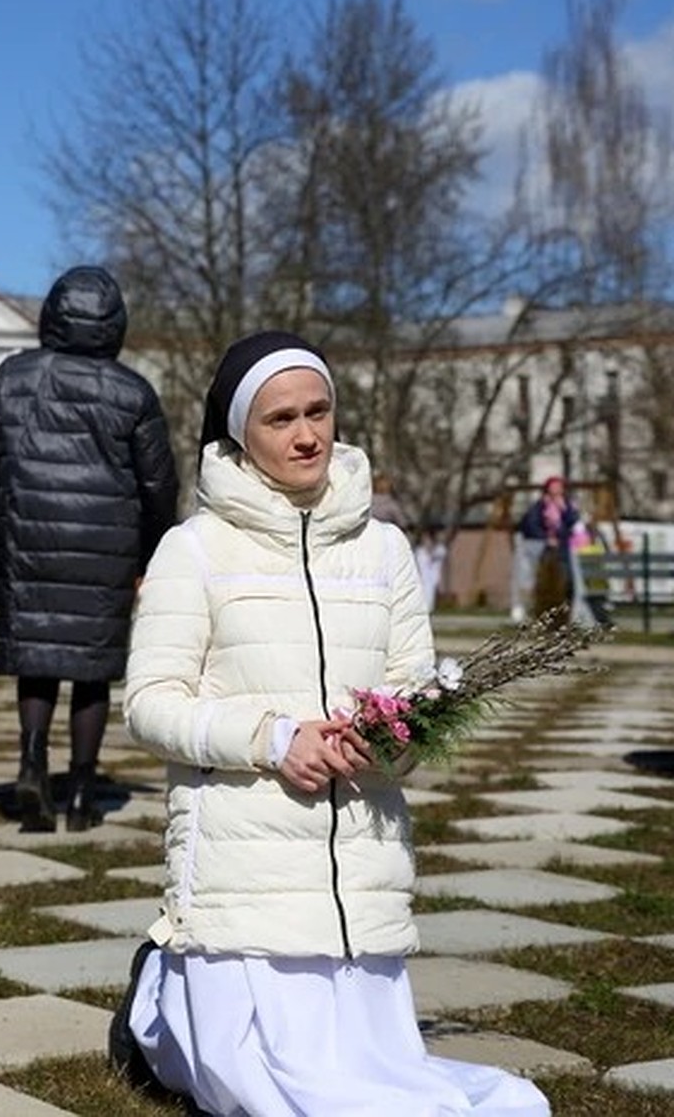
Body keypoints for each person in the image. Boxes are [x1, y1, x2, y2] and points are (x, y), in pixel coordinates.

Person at [110, 330, 550, 1116]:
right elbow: (150, 703)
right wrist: (275, 740)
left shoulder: (384, 549)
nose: (307, 435)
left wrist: (391, 739)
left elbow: (418, 690)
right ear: (240, 432)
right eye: (280, 419)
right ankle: (161, 992)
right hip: (245, 867)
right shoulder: (197, 548)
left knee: (389, 1087)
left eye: (319, 412)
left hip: (361, 875)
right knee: (266, 1087)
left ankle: (164, 997)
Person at [0, 265, 179, 833]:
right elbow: (159, 484)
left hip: (30, 539)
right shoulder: (133, 391)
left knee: (36, 664)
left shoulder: (14, 376)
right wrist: (153, 552)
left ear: (52, 316)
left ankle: (32, 764)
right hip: (107, 548)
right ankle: (82, 790)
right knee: (90, 672)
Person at [517, 476, 579, 620]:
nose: (557, 491)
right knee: (539, 580)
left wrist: (564, 510)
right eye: (554, 487)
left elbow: (574, 524)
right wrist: (546, 538)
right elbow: (531, 525)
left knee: (567, 581)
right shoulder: (539, 506)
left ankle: (566, 612)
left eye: (559, 487)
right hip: (543, 550)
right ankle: (536, 613)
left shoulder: (567, 506)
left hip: (564, 549)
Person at [414, 525, 448, 613]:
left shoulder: (440, 549)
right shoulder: (419, 551)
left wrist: (430, 547)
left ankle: (428, 611)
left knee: (429, 594)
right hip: (421, 577)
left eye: (427, 538)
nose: (425, 540)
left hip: (432, 578)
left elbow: (434, 556)